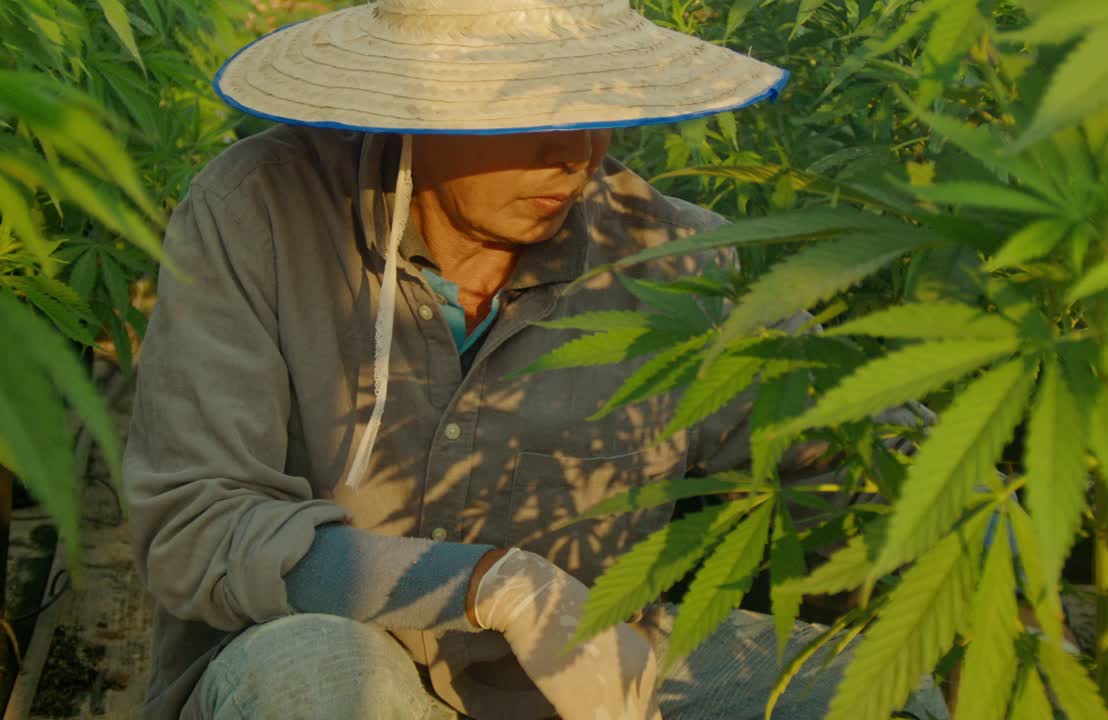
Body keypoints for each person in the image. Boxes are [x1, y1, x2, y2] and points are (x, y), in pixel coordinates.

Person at [124, 1, 948, 718]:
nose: (578, 153)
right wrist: (495, 584)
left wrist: (998, 507)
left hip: (580, 680)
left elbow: (851, 452)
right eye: (535, 110)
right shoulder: (259, 213)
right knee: (321, 676)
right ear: (419, 104)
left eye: (597, 105)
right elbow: (199, 527)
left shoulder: (672, 261)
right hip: (325, 673)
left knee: (888, 688)